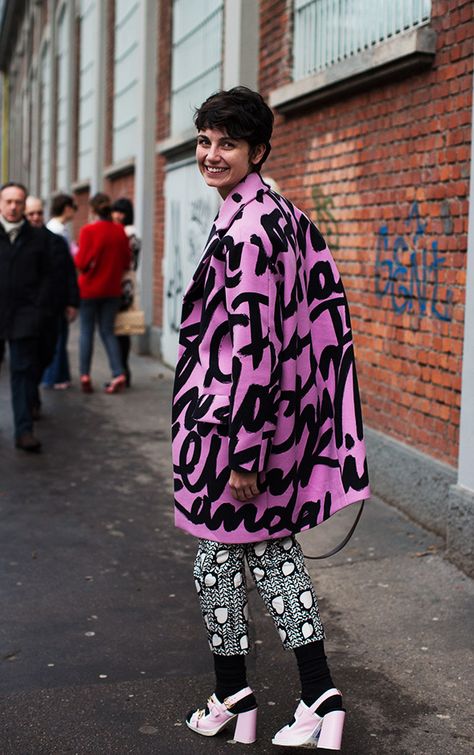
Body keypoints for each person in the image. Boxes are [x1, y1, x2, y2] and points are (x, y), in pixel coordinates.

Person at [171, 87, 370, 749]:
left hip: (236, 430)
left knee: (258, 557)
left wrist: (246, 450)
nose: (211, 153)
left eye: (227, 142)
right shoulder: (269, 211)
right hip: (246, 425)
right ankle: (251, 697)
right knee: (227, 561)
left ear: (257, 148)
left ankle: (304, 696)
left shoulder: (253, 226)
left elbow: (258, 346)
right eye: (205, 140)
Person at [0, 182, 52, 451]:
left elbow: (47, 277)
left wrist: (37, 310)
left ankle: (24, 431)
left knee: (22, 373)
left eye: (18, 202)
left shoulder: (38, 239)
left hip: (24, 316)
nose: (13, 207)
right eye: (8, 201)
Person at [74, 192, 131, 394]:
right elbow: (126, 261)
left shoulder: (88, 230)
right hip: (112, 289)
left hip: (89, 289)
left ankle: (85, 375)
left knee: (86, 332)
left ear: (92, 210)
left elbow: (80, 263)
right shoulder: (119, 231)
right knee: (108, 332)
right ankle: (118, 373)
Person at [25, 196, 79, 403]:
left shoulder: (55, 241)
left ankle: (36, 391)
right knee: (25, 361)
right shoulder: (15, 242)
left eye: (39, 213)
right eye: (31, 214)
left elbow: (68, 273)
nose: (36, 217)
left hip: (52, 309)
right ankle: (29, 406)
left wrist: (72, 302)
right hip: (25, 313)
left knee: (48, 352)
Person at [111, 197, 141, 387]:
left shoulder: (129, 234)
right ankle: (122, 370)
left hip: (124, 285)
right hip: (123, 283)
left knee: (121, 329)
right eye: (115, 211)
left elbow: (129, 261)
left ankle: (122, 370)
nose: (117, 215)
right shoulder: (124, 232)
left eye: (121, 212)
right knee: (119, 330)